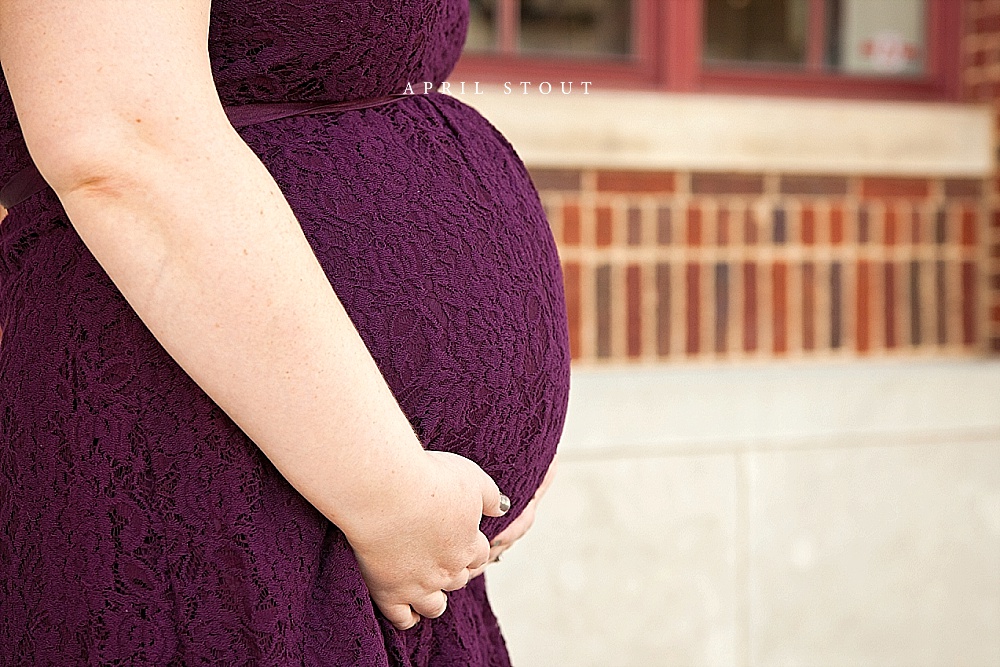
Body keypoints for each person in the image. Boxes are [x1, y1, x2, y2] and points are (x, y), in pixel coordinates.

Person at [0, 0, 570, 665]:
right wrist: (387, 491)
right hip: (204, 488)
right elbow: (118, 136)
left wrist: (511, 420)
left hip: (392, 522)